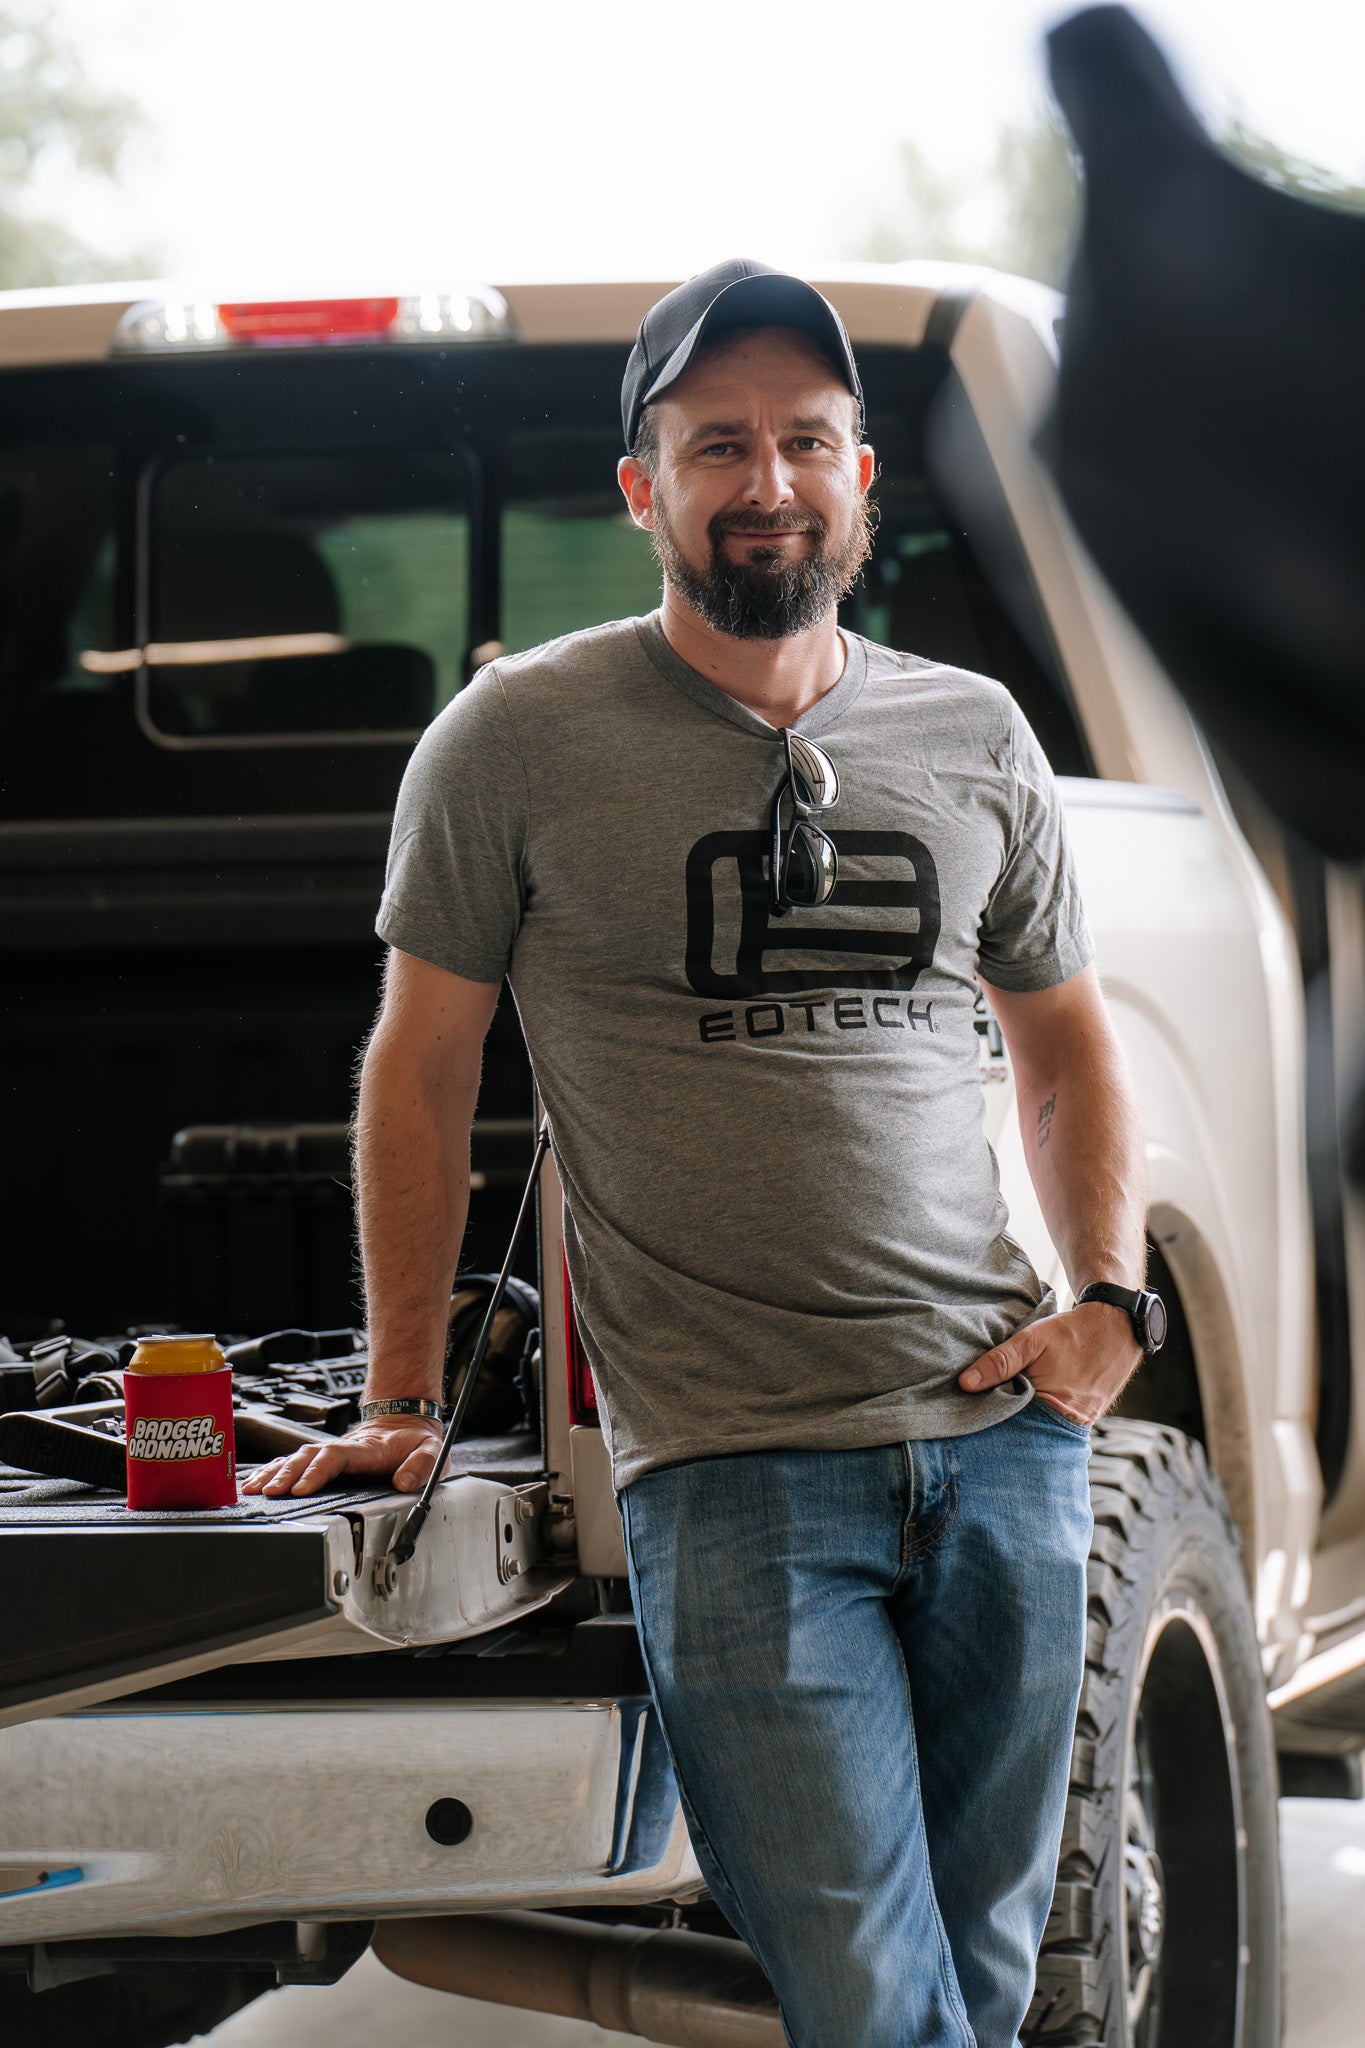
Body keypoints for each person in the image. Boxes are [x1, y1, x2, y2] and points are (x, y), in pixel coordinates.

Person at [245, 259, 1158, 2048]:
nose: (767, 479)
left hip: (1002, 1446)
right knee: (873, 1999)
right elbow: (422, 1068)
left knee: (972, 1974)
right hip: (737, 1475)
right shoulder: (513, 742)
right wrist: (409, 1397)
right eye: (716, 441)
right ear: (641, 487)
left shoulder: (973, 734)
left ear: (861, 476)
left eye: (805, 439)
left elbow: (1063, 1044)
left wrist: (1107, 1307)